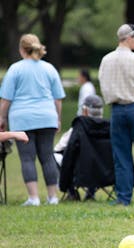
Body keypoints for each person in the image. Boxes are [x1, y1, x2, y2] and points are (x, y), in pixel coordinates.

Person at [0, 33, 65, 206]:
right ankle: (52, 197)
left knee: (27, 158)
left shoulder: (15, 69)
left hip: (23, 118)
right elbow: (57, 98)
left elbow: (6, 98)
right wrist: (58, 118)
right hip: (47, 117)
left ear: (21, 49)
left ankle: (34, 198)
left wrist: (2, 118)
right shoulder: (49, 68)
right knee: (47, 156)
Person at [98, 23, 134, 205]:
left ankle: (123, 197)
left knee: (121, 156)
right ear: (128, 38)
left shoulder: (106, 60)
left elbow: (103, 85)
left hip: (117, 111)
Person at [54, 94, 105, 200]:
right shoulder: (107, 128)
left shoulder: (78, 128)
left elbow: (58, 147)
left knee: (54, 156)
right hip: (103, 169)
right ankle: (91, 193)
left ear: (85, 111)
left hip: (80, 170)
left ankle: (72, 191)